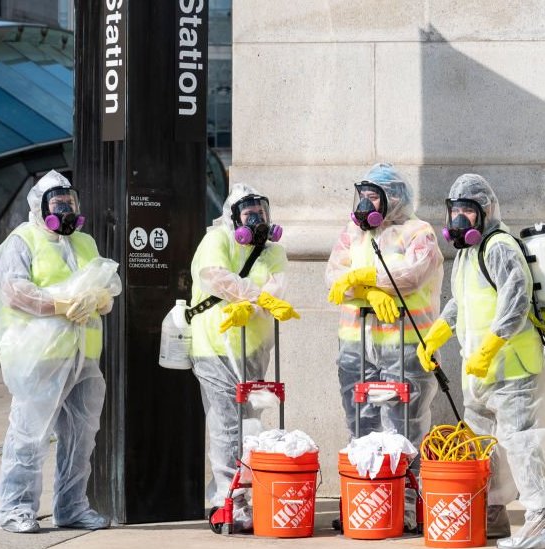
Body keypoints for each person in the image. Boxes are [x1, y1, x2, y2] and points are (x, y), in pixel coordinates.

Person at [416, 174, 545, 549]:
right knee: (484, 446)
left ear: (487, 211)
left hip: (512, 370)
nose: (459, 218)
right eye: (455, 210)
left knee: (521, 443)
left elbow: (516, 301)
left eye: (468, 210)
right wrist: (437, 334)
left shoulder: (500, 247)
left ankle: (542, 522)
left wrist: (490, 347)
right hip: (480, 374)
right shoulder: (467, 253)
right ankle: (492, 513)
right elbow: (461, 302)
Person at [0, 170, 120, 533]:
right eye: (58, 205)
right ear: (40, 208)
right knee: (29, 436)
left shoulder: (84, 242)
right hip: (40, 356)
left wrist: (99, 298)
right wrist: (61, 305)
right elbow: (14, 291)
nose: (66, 211)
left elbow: (106, 285)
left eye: (70, 204)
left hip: (84, 357)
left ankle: (72, 507)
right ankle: (15, 509)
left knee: (82, 437)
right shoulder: (21, 241)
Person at [326, 163, 442, 531]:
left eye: (373, 197)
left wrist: (365, 278)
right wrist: (371, 291)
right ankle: (364, 501)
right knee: (361, 426)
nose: (365, 203)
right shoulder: (353, 233)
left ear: (393, 199)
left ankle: (404, 506)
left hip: (404, 345)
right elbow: (333, 276)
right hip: (356, 345)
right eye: (362, 195)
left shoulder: (419, 232)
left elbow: (411, 275)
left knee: (402, 431)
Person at [189, 183, 300, 531]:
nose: (257, 219)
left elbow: (275, 289)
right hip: (215, 344)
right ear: (234, 218)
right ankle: (228, 500)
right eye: (249, 213)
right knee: (227, 424)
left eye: (261, 212)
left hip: (253, 348)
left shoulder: (273, 251)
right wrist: (255, 298)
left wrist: (252, 303)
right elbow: (215, 278)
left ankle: (241, 494)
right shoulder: (216, 240)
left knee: (249, 422)